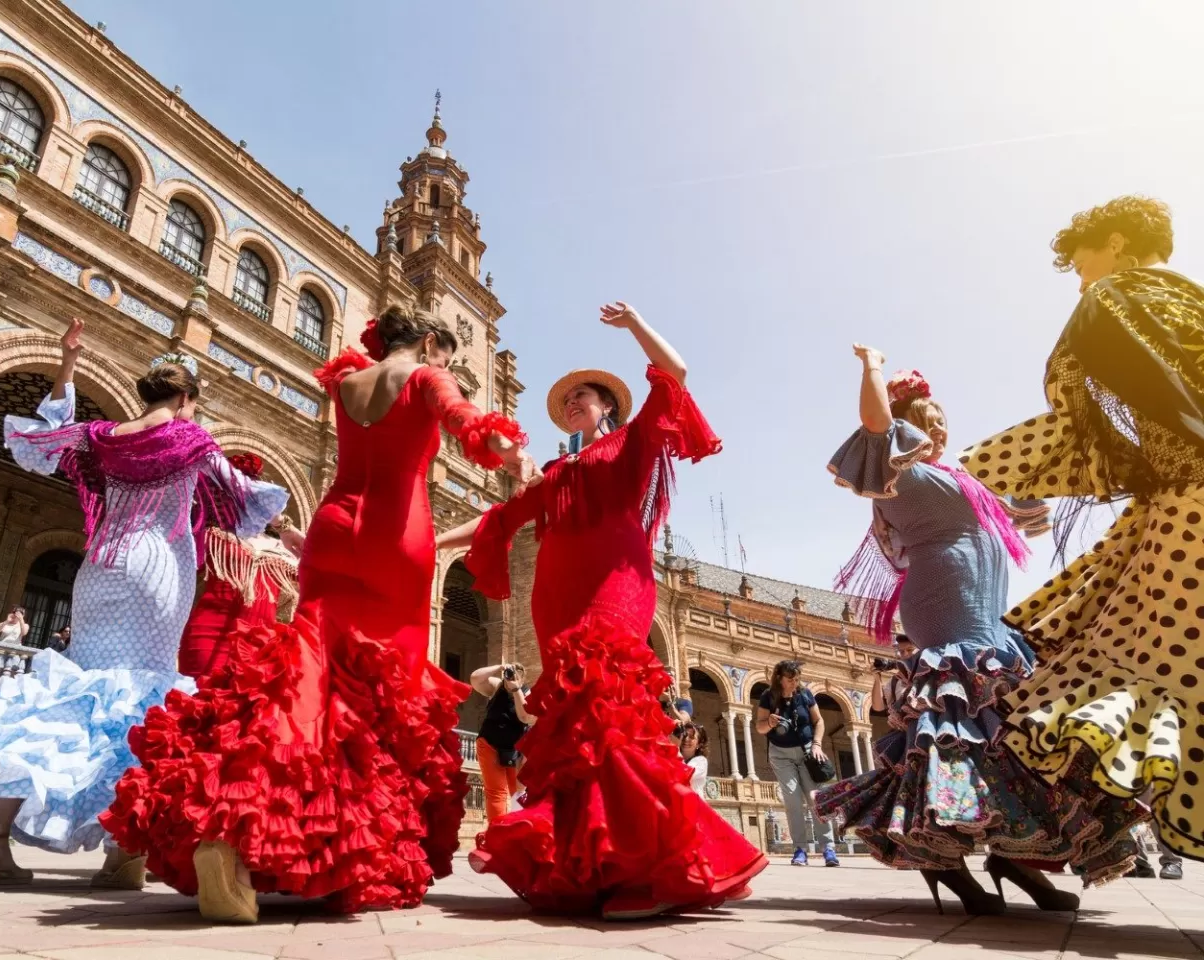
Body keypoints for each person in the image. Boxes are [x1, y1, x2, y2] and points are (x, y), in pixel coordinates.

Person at [103, 305, 536, 923]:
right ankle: (339, 845)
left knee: (303, 677)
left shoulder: (348, 381)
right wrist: (507, 450)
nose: (450, 369)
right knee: (382, 698)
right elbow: (466, 420)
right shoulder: (424, 377)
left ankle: (231, 829)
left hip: (333, 528)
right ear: (433, 343)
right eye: (447, 358)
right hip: (397, 539)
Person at [0, 318, 288, 890]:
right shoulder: (193, 439)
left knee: (72, 695)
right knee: (142, 702)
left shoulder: (103, 437)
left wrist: (69, 363)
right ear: (186, 399)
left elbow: (47, 436)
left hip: (99, 569)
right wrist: (289, 535)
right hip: (157, 571)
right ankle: (123, 852)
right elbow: (241, 500)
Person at [437, 301, 766, 920]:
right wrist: (429, 541)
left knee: (609, 705)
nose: (572, 407)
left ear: (607, 407)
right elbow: (498, 520)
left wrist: (637, 323)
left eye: (582, 399)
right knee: (575, 728)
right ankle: (595, 862)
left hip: (617, 582)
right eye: (566, 404)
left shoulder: (631, 444)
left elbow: (677, 374)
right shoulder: (556, 470)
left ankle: (645, 867)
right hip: (555, 596)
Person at [814, 351, 1142, 916]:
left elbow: (1031, 496)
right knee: (958, 731)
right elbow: (874, 423)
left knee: (1012, 732)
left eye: (940, 424)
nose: (938, 433)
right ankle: (945, 859)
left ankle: (1016, 855)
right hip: (946, 610)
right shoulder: (901, 472)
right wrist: (872, 366)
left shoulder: (963, 477)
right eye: (926, 423)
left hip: (990, 615)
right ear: (906, 427)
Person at [958, 196, 1204, 874]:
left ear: (1118, 244)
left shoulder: (1116, 299)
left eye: (1083, 261)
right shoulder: (1194, 304)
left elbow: (1074, 422)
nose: (1080, 279)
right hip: (1180, 500)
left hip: (1189, 511)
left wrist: (980, 474)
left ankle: (1030, 837)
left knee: (1145, 673)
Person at [177, 452, 303, 682]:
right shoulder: (211, 534)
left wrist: (286, 527)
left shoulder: (284, 550)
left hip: (258, 649)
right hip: (206, 635)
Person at [756, 660, 838, 867]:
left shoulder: (805, 694)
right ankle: (799, 849)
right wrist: (770, 723)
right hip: (781, 755)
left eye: (797, 679)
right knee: (792, 801)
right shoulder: (768, 696)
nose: (795, 683)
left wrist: (817, 744)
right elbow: (759, 727)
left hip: (807, 752)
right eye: (790, 679)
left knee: (815, 799)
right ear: (779, 678)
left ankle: (828, 848)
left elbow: (818, 721)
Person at [470, 662, 534, 822]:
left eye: (514, 676)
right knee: (495, 792)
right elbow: (475, 678)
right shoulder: (498, 686)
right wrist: (499, 667)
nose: (510, 679)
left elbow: (524, 716)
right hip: (489, 743)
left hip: (515, 750)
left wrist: (516, 689)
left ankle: (520, 829)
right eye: (508, 675)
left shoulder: (526, 692)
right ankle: (496, 835)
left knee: (518, 791)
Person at [870, 634, 917, 713]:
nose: (905, 654)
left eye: (910, 650)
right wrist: (877, 679)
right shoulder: (896, 681)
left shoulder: (929, 672)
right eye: (902, 651)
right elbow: (878, 707)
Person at [679, 722, 709, 798]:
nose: (686, 739)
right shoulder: (673, 755)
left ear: (699, 744)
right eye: (685, 735)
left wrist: (675, 746)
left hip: (693, 806)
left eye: (691, 737)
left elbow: (683, 775)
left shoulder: (701, 761)